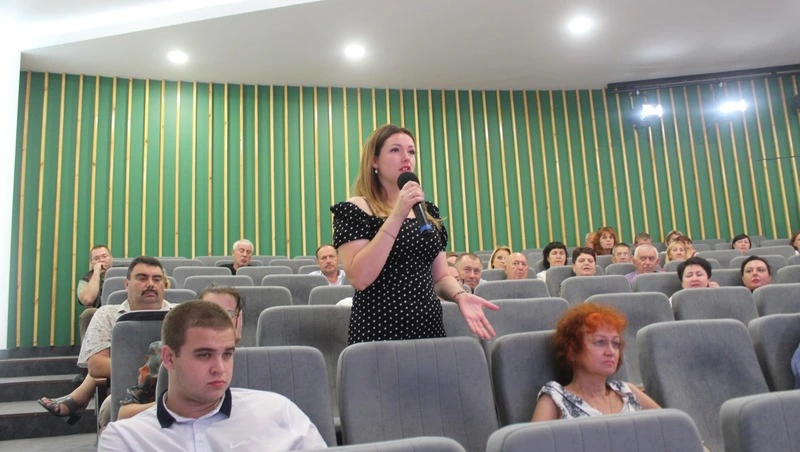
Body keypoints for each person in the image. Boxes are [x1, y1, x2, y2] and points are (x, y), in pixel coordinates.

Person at [331, 124, 498, 344]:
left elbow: (440, 277)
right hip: (378, 329)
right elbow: (360, 278)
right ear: (374, 161)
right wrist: (397, 214)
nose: (406, 158)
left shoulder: (427, 212)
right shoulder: (356, 208)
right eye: (395, 150)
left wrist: (460, 295)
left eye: (411, 151)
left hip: (428, 325)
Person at [98, 301, 327, 451]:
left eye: (227, 354)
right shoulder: (126, 440)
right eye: (204, 355)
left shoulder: (279, 411)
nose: (220, 368)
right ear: (168, 358)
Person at [38, 256, 175, 424]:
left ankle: (77, 399)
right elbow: (96, 365)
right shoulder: (107, 314)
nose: (151, 284)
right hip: (126, 389)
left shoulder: (181, 313)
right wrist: (154, 367)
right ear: (127, 284)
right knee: (111, 409)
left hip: (174, 387)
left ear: (164, 285)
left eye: (157, 279)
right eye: (142, 278)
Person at [117, 286, 245, 422]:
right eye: (207, 313)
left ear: (238, 319)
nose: (217, 319)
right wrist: (175, 404)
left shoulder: (254, 360)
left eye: (227, 314)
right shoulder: (164, 353)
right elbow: (124, 413)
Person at [531, 303, 660, 421]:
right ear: (572, 351)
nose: (611, 351)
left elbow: (667, 429)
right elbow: (536, 440)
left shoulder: (627, 391)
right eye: (600, 342)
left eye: (615, 343)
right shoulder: (554, 398)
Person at [78, 244, 114, 340]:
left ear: (111, 258)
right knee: (88, 313)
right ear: (91, 262)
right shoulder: (86, 279)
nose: (101, 260)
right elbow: (87, 300)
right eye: (96, 258)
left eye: (104, 256)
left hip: (122, 310)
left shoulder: (125, 273)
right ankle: (88, 348)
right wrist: (97, 272)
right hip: (100, 313)